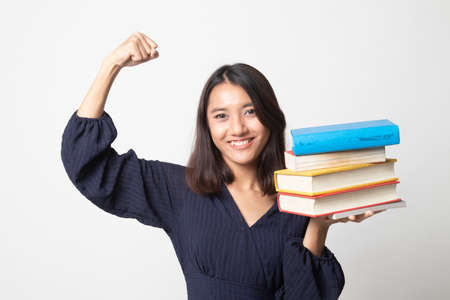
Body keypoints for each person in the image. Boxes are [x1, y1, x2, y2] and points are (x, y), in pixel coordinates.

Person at [61, 32, 384, 300]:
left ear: (271, 118)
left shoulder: (298, 198)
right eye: (221, 116)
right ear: (207, 126)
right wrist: (110, 66)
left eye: (250, 111)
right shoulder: (177, 189)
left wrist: (320, 222)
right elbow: (88, 166)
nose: (237, 129)